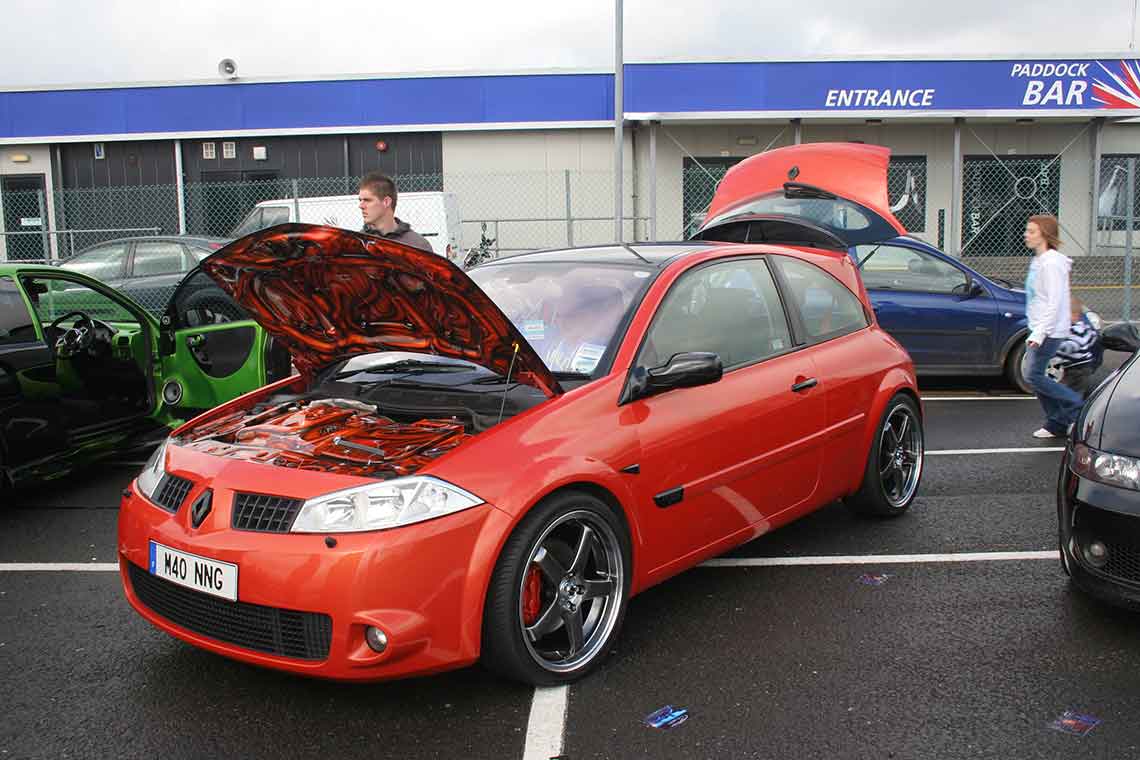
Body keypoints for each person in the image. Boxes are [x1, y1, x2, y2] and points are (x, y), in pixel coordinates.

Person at [1023, 214, 1083, 439]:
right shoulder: (1039, 261)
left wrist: (1039, 333)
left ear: (1045, 235)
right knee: (1033, 375)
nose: (1026, 235)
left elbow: (1055, 302)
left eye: (1032, 232)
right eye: (1027, 230)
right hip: (1038, 327)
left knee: (1034, 375)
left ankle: (1075, 406)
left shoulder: (1052, 264)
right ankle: (1057, 422)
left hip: (1049, 330)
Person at [357, 172, 433, 253]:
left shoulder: (418, 245)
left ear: (386, 202)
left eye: (367, 200)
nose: (360, 206)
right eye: (360, 200)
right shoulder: (357, 244)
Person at [1054, 296, 1102, 398]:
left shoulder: (1075, 329)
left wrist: (1059, 349)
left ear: (1075, 316)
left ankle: (1076, 406)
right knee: (1071, 389)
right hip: (1076, 367)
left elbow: (1073, 345)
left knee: (1075, 392)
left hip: (1079, 368)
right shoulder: (1083, 327)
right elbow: (1093, 337)